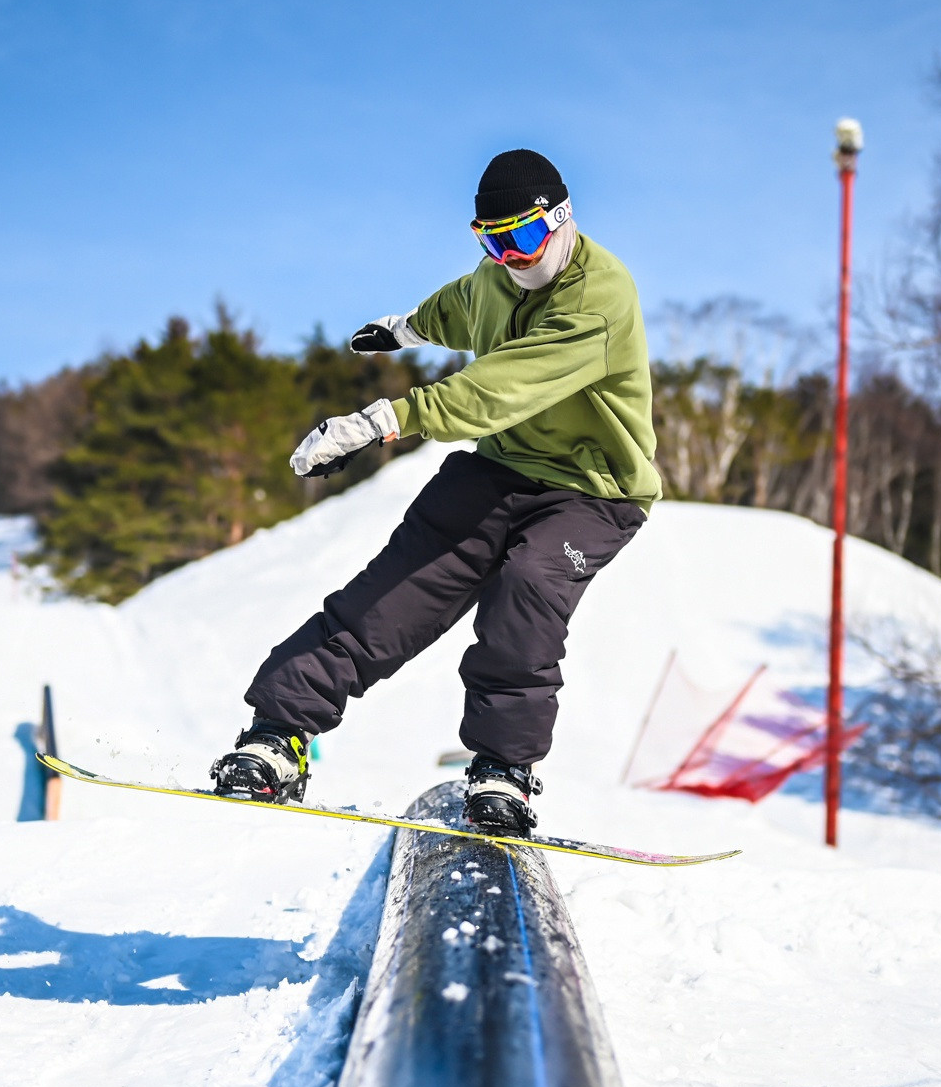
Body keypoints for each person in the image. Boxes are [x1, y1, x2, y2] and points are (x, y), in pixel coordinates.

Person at [210, 150, 660, 836]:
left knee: (528, 585)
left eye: (523, 237)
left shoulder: (600, 296)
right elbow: (457, 308)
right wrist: (401, 329)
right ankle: (279, 732)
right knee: (399, 585)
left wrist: (382, 420)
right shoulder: (496, 278)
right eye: (492, 242)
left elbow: (498, 389)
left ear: (561, 219)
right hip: (502, 467)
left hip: (594, 490)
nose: (511, 257)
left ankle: (503, 770)